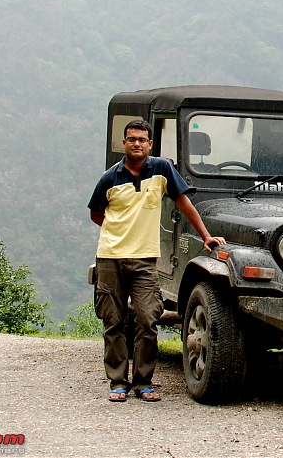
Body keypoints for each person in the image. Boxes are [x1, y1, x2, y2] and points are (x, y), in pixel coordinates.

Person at [88, 119, 225, 402]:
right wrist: (120, 233)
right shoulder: (109, 178)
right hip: (111, 257)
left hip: (145, 260)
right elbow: (96, 214)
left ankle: (143, 382)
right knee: (113, 321)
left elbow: (183, 202)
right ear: (123, 144)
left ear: (150, 144)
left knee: (148, 320)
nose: (136, 143)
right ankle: (117, 382)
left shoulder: (162, 170)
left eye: (141, 139)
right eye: (131, 139)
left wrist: (206, 236)